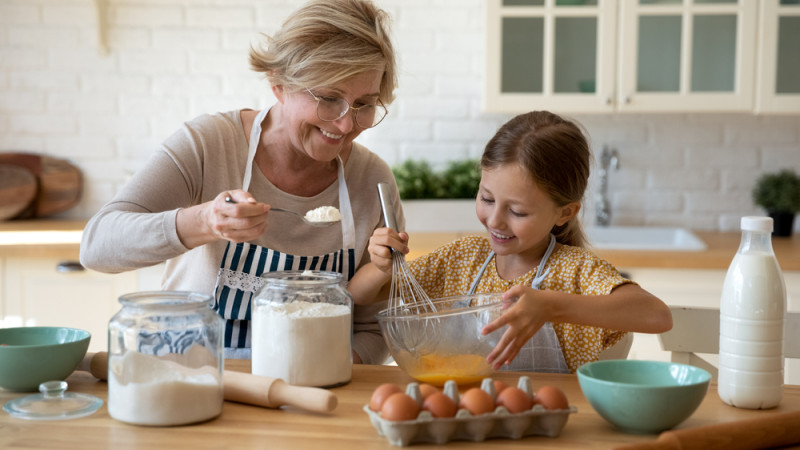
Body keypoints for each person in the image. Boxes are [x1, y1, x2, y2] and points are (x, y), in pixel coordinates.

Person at [80, 0, 403, 363]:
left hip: (312, 397)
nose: (346, 124)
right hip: (190, 381)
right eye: (329, 99)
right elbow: (97, 246)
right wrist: (204, 221)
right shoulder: (209, 143)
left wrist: (326, 373)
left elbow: (373, 328)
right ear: (279, 84)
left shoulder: (372, 181)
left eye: (364, 104)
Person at [348, 111, 673, 373]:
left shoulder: (574, 271)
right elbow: (358, 295)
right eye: (487, 199)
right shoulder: (461, 259)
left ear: (564, 213)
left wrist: (550, 306)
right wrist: (380, 266)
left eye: (517, 211)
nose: (495, 221)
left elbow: (657, 315)